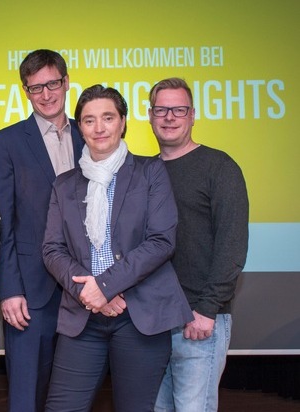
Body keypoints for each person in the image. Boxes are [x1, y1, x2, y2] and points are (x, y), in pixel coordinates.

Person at [42, 84, 193, 412]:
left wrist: (106, 286)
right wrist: (90, 292)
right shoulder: (64, 184)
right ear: (80, 128)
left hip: (139, 315)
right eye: (89, 120)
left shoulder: (150, 172)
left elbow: (161, 241)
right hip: (83, 314)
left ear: (123, 122)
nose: (99, 127)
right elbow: (53, 249)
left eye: (108, 117)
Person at [0, 49, 84, 412]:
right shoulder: (7, 141)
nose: (45, 94)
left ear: (66, 82)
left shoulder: (89, 134)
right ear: (25, 91)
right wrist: (9, 290)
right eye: (35, 87)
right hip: (30, 292)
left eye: (52, 84)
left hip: (85, 288)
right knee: (27, 395)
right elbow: (1, 221)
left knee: (73, 394)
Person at [150, 78, 249, 412]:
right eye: (161, 110)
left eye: (179, 110)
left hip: (198, 321)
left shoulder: (219, 167)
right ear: (150, 115)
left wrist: (207, 310)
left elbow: (232, 246)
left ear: (192, 115)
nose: (169, 117)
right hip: (152, 325)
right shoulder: (145, 172)